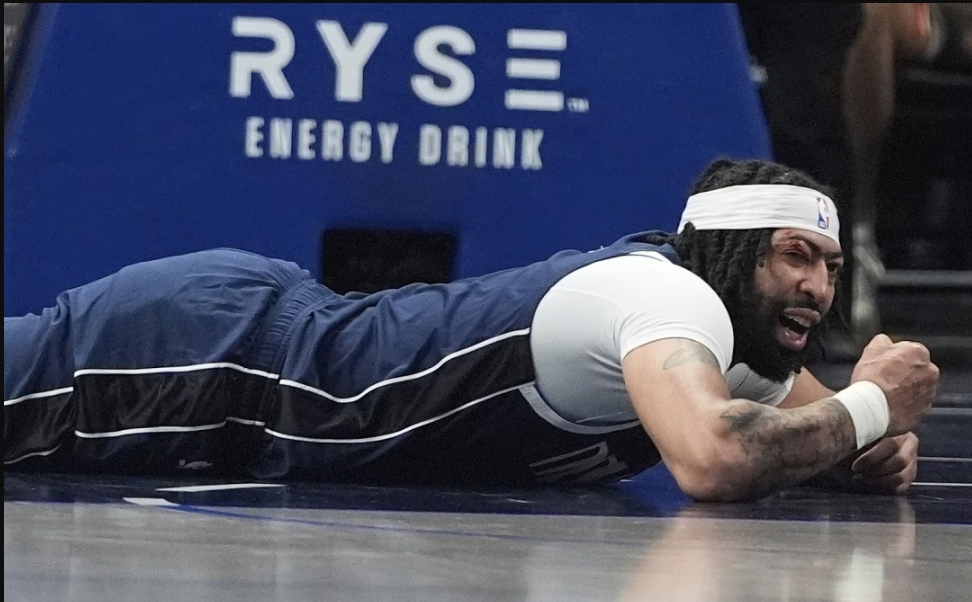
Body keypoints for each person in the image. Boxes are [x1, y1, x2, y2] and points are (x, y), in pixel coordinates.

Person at [3, 158, 940, 502]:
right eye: (794, 256)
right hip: (215, 357)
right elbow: (719, 459)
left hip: (251, 363)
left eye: (830, 266)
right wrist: (871, 406)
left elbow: (822, 432)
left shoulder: (729, 341)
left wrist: (868, 444)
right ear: (730, 255)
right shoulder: (664, 301)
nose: (817, 287)